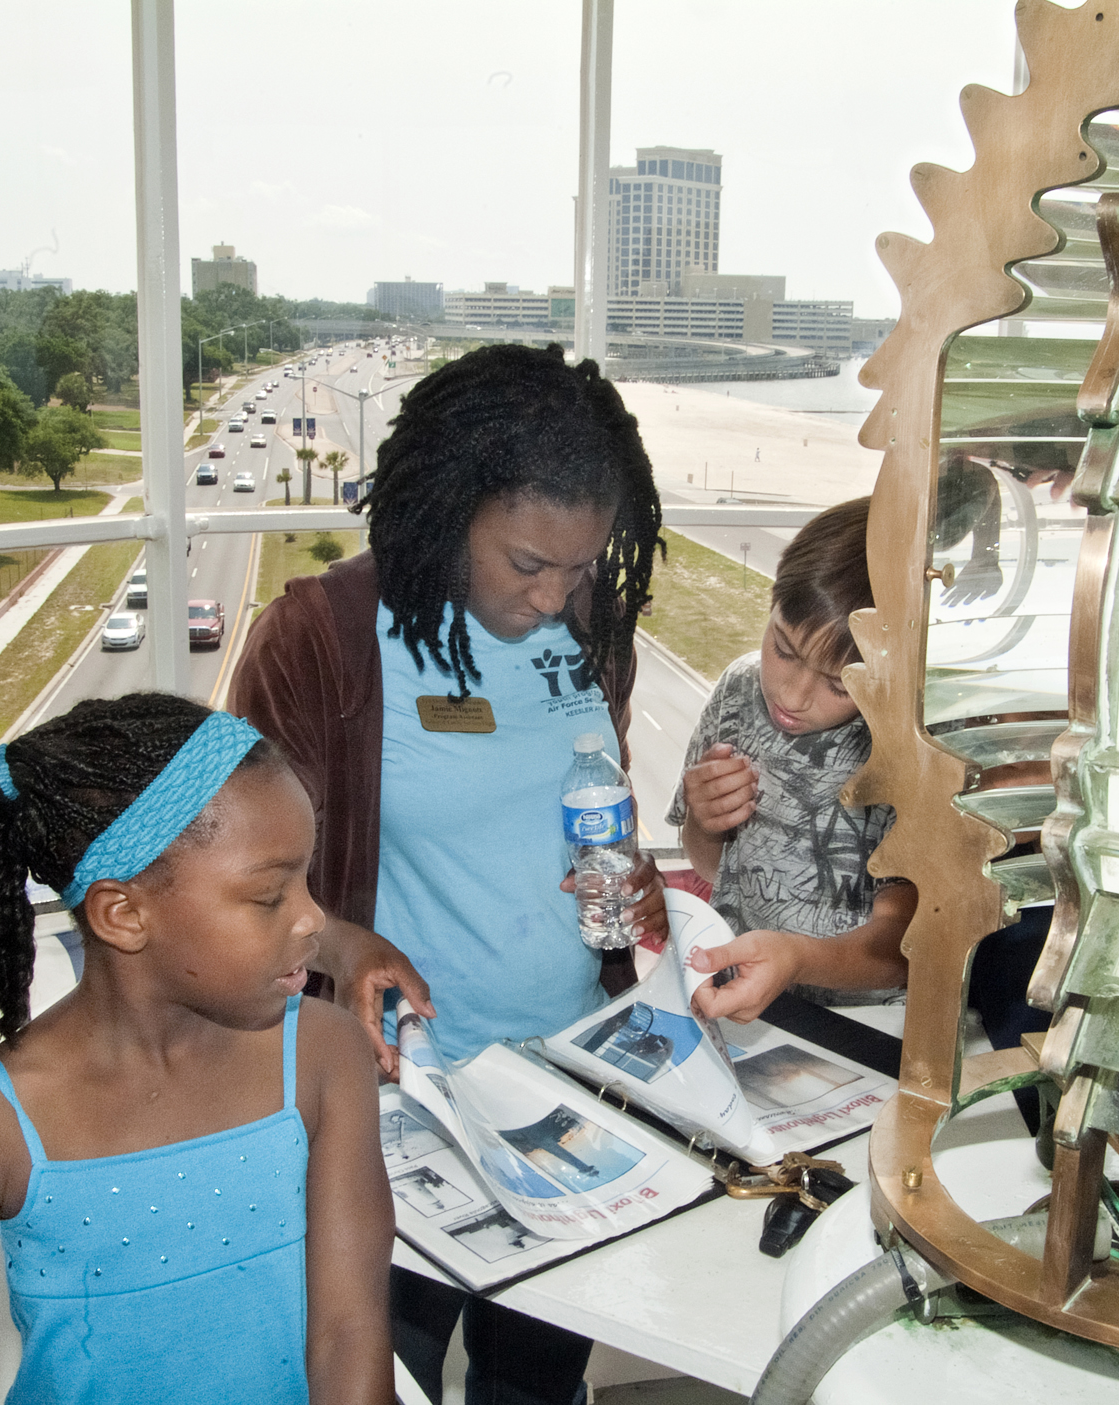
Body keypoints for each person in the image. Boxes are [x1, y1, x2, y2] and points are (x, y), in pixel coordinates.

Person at [230, 342, 665, 1405]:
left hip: (568, 1083)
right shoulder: (321, 638)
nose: (560, 598)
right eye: (527, 564)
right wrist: (342, 941)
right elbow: (237, 885)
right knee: (387, 1369)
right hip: (394, 1102)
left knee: (534, 1379)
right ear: (446, 507)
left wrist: (633, 881)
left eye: (582, 565)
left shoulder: (593, 633)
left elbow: (579, 808)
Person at [0, 696, 390, 1405]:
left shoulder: (324, 1053)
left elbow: (348, 1333)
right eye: (270, 895)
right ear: (123, 914)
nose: (312, 917)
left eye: (306, 876)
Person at [672, 497, 917, 1021]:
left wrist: (798, 960)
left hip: (865, 1021)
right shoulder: (739, 689)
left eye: (838, 684)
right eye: (783, 649)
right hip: (743, 994)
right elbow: (711, 865)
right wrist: (705, 822)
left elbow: (903, 948)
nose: (794, 696)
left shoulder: (906, 746)